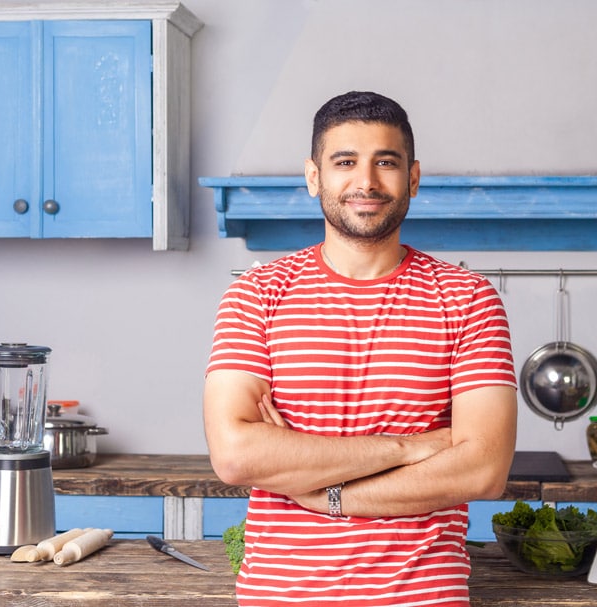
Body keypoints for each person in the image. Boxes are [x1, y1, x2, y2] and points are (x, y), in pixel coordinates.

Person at [203, 91, 518, 606]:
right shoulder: (258, 293)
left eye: (385, 162)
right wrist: (411, 446)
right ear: (314, 176)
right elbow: (237, 456)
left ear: (413, 178)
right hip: (280, 595)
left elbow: (482, 470)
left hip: (420, 596)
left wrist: (320, 493)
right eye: (345, 162)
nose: (366, 181)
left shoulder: (467, 298)